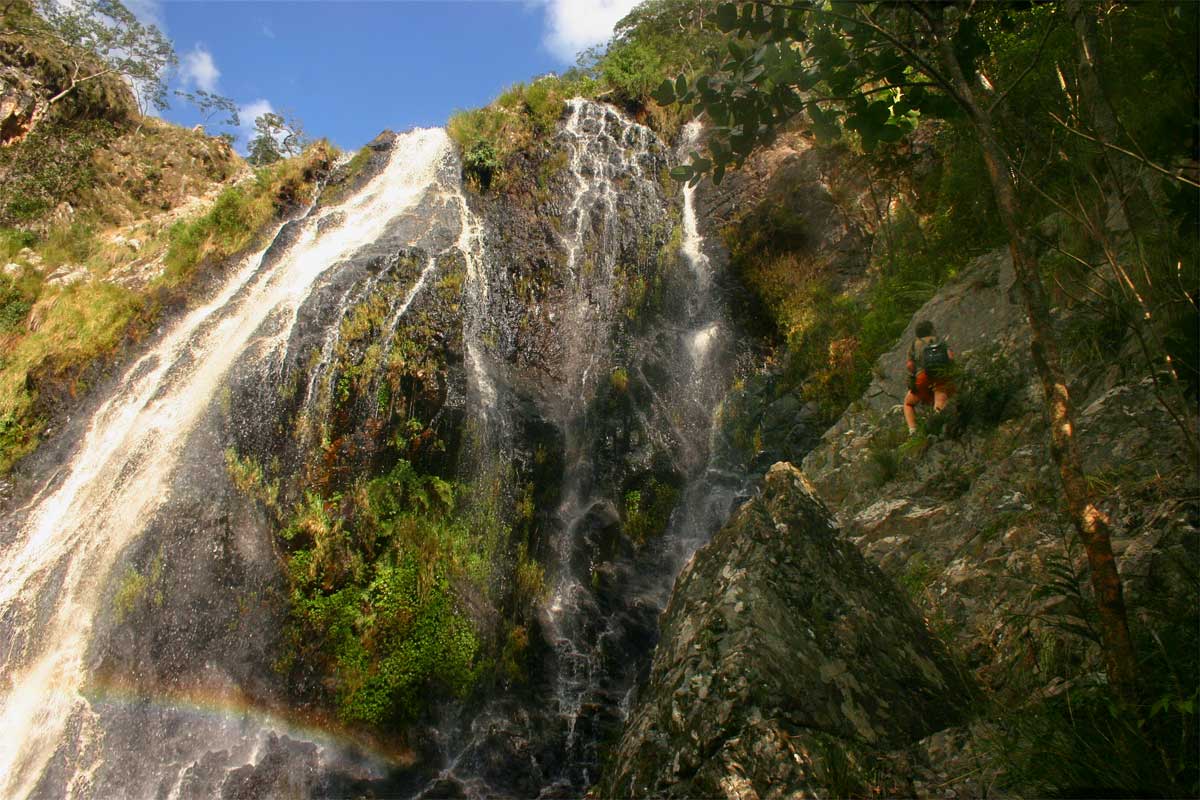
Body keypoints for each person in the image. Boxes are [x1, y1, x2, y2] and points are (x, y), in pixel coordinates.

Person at [904, 320, 954, 435]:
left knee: (908, 403)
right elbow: (951, 357)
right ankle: (938, 425)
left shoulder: (914, 344)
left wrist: (913, 376)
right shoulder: (941, 342)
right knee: (940, 398)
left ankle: (913, 430)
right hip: (941, 375)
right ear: (932, 330)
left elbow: (910, 365)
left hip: (923, 377)